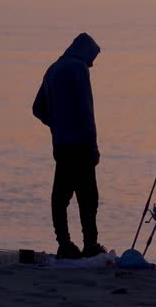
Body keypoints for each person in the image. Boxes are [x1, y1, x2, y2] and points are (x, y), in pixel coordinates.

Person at [33, 33, 106, 259]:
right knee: (88, 196)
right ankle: (90, 244)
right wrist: (93, 146)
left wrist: (57, 125)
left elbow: (38, 109)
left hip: (61, 145)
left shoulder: (53, 69)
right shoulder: (78, 69)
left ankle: (64, 243)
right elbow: (86, 110)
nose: (92, 64)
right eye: (92, 58)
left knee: (60, 196)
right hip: (81, 145)